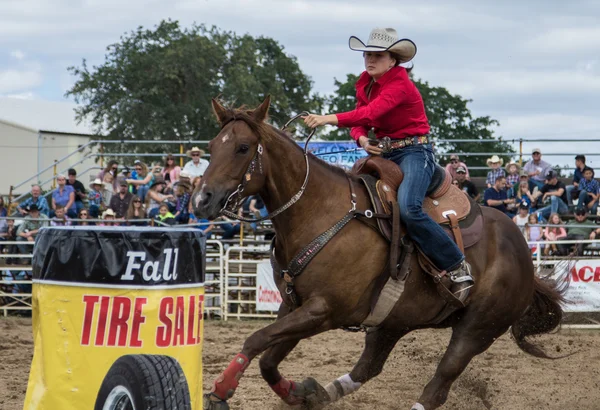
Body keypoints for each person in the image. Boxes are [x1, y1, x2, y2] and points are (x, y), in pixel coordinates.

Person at [301, 27, 473, 300]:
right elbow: (360, 122)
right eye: (367, 54)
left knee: (409, 207)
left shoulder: (400, 85)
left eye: (377, 55)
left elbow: (372, 112)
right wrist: (361, 140)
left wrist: (326, 118)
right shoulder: (365, 83)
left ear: (393, 60)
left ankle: (456, 264)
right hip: (384, 153)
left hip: (416, 152)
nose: (370, 59)